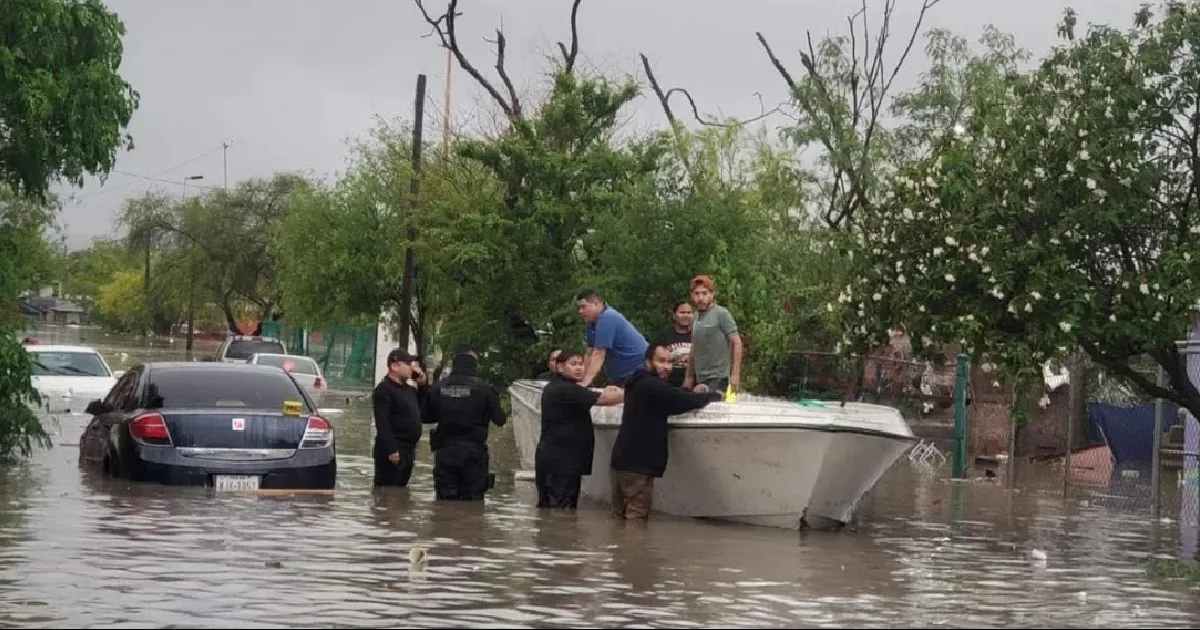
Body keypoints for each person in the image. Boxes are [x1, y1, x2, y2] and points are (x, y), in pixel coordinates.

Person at [610, 343, 723, 521]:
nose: (667, 367)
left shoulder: (636, 383)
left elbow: (671, 396)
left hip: (622, 462)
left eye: (670, 362)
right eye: (661, 361)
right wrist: (712, 396)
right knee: (636, 522)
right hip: (637, 466)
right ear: (648, 361)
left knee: (618, 519)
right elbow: (680, 401)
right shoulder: (651, 385)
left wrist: (691, 392)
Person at [536, 349, 623, 509]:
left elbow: (587, 394)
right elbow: (604, 399)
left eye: (581, 364)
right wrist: (633, 391)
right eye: (573, 364)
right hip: (561, 464)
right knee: (560, 513)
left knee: (552, 512)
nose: (579, 368)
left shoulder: (562, 387)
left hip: (558, 461)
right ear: (560, 367)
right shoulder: (565, 389)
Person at [422, 345, 506, 501]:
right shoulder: (485, 389)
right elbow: (500, 420)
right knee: (473, 504)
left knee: (445, 503)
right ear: (473, 365)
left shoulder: (437, 389)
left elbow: (425, 417)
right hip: (474, 454)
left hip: (445, 453)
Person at [372, 348, 428, 488]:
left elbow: (423, 408)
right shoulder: (383, 389)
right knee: (388, 494)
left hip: (408, 449)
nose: (412, 368)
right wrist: (391, 450)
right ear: (394, 366)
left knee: (401, 493)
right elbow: (382, 422)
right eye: (408, 364)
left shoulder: (410, 390)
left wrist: (422, 384)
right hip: (392, 450)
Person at [683, 275, 743, 395]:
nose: (700, 298)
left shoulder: (721, 314)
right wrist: (689, 376)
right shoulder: (695, 317)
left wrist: (735, 374)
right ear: (692, 295)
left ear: (712, 294)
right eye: (697, 293)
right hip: (700, 377)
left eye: (704, 293)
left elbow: (736, 342)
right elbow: (694, 347)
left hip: (719, 377)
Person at [576, 288, 649, 387]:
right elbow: (589, 354)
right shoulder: (591, 323)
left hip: (639, 372)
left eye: (583, 307)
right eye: (579, 308)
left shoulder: (607, 318)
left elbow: (599, 353)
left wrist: (584, 383)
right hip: (623, 376)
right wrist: (581, 379)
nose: (580, 311)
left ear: (596, 304)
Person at [654, 301, 694, 388]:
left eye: (689, 312)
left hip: (695, 383)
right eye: (682, 312)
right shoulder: (664, 336)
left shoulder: (698, 336)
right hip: (670, 384)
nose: (686, 315)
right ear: (674, 315)